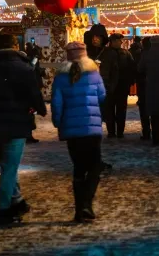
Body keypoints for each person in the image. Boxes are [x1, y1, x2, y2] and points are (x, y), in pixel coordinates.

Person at [0, 33, 46, 225]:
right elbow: (34, 94)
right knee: (9, 168)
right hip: (16, 124)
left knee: (7, 165)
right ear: (15, 46)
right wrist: (41, 108)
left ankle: (17, 200)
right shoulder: (23, 68)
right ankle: (3, 208)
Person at [51, 42, 106, 223]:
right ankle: (86, 205)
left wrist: (58, 123)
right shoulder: (94, 74)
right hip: (91, 128)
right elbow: (102, 96)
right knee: (95, 166)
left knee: (79, 168)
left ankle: (79, 209)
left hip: (71, 130)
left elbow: (57, 104)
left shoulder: (60, 78)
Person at [86, 24, 119, 138]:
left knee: (108, 112)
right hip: (90, 87)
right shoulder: (86, 53)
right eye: (94, 37)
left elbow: (115, 72)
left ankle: (111, 132)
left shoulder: (110, 53)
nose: (95, 39)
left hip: (106, 87)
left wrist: (112, 87)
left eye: (98, 37)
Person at [109, 34, 135, 138]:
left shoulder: (125, 53)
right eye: (119, 40)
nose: (121, 42)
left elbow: (132, 68)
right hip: (111, 86)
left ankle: (119, 131)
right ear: (113, 41)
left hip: (122, 86)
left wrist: (130, 81)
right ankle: (112, 131)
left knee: (120, 110)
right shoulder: (107, 53)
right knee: (112, 110)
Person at [135, 37, 151, 139]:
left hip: (143, 85)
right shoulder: (157, 54)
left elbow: (138, 69)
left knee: (144, 109)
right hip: (153, 85)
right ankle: (156, 131)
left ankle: (146, 131)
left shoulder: (141, 54)